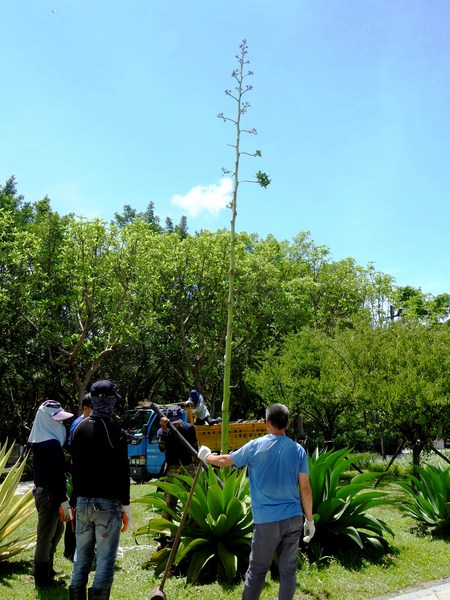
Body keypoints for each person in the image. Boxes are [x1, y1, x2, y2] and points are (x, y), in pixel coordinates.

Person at [199, 403, 315, 600]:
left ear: (266, 422)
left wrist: (207, 456)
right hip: (293, 519)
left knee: (258, 571)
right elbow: (306, 489)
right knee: (288, 572)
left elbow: (225, 461)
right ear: (288, 424)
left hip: (266, 521)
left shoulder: (255, 446)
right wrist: (309, 520)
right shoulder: (298, 451)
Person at [69, 380, 131, 600]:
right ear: (109, 401)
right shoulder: (116, 432)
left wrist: (73, 503)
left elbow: (76, 470)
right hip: (107, 504)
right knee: (105, 561)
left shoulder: (78, 429)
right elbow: (123, 472)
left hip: (82, 502)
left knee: (81, 559)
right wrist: (126, 506)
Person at [28, 399, 74, 587]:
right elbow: (56, 476)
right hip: (50, 494)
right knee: (46, 536)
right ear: (46, 419)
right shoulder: (51, 444)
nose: (60, 423)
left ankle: (48, 567)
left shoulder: (41, 441)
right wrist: (64, 500)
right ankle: (42, 578)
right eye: (57, 419)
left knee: (56, 531)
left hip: (45, 493)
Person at [157, 405, 198, 521]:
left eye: (178, 422)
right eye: (174, 423)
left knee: (191, 497)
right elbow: (162, 449)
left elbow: (195, 447)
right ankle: (167, 525)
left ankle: (191, 523)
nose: (177, 425)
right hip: (172, 468)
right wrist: (164, 431)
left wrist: (196, 465)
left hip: (188, 467)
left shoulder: (189, 428)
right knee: (169, 499)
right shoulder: (162, 431)